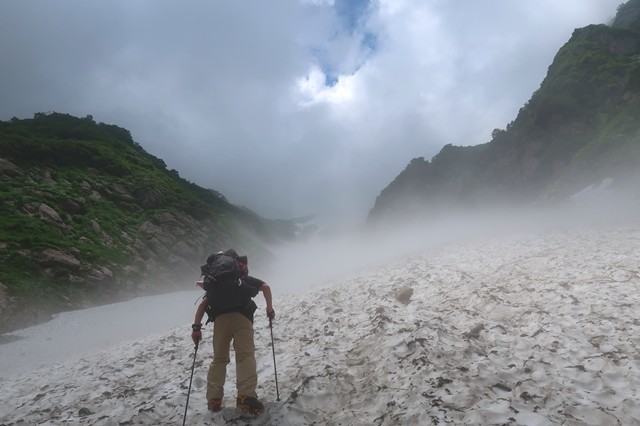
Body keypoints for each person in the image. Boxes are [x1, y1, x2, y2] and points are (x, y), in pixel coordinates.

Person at [191, 250, 275, 415]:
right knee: (245, 356)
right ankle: (245, 396)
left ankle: (214, 399)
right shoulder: (241, 279)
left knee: (219, 359)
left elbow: (202, 306)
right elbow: (265, 287)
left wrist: (196, 329)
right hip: (242, 317)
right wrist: (269, 309)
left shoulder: (215, 284)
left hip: (220, 321)